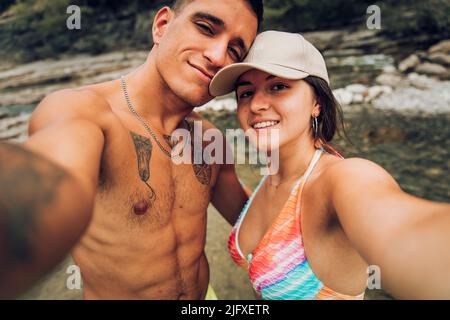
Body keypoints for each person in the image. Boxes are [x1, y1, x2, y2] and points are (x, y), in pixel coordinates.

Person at [3, 0, 263, 299]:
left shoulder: (208, 138)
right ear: (162, 26)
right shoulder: (85, 113)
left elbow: (253, 221)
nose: (218, 56)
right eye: (205, 28)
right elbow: (50, 180)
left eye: (234, 51)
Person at [209, 30, 450, 300]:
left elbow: (411, 235)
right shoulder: (270, 178)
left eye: (278, 86)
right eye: (246, 93)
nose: (256, 104)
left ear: (317, 103)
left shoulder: (344, 179)